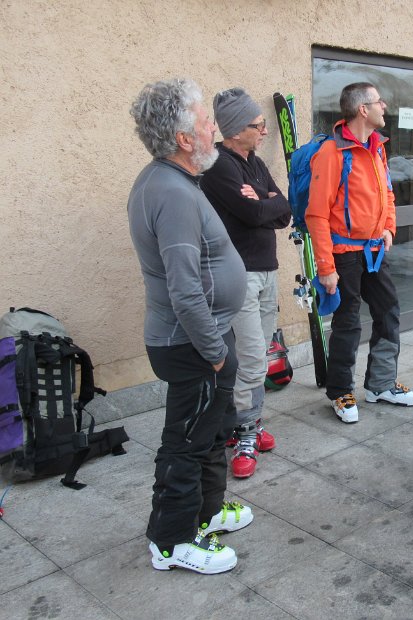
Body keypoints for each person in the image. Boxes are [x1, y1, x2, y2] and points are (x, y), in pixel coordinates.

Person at [128, 78, 253, 574]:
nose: (213, 129)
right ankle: (171, 540)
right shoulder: (172, 194)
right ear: (183, 139)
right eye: (206, 122)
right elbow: (184, 288)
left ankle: (207, 513)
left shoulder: (172, 181)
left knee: (209, 432)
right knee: (185, 441)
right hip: (193, 344)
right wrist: (215, 352)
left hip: (204, 340)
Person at [305, 82, 413, 423]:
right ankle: (340, 392)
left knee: (388, 311)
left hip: (372, 251)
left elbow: (387, 195)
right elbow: (316, 214)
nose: (385, 106)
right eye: (378, 101)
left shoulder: (377, 148)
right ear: (362, 110)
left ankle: (380, 384)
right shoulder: (332, 153)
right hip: (344, 253)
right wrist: (326, 266)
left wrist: (388, 227)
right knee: (348, 322)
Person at [200, 88, 291, 479]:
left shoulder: (252, 161)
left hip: (267, 269)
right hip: (240, 275)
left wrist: (265, 201)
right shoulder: (220, 165)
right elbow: (253, 212)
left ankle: (244, 422)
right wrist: (263, 204)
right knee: (252, 358)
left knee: (256, 357)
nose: (265, 132)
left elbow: (284, 210)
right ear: (236, 130)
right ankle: (245, 430)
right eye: (258, 125)